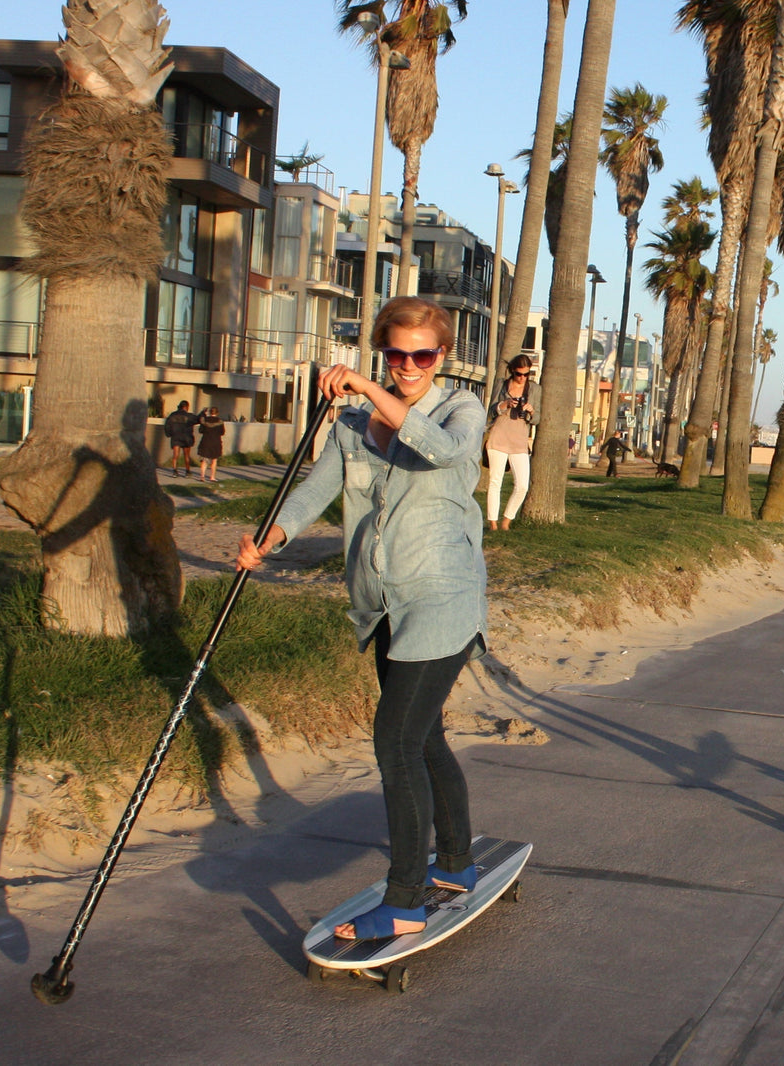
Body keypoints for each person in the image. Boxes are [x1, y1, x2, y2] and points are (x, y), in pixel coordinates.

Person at [236, 296, 486, 941]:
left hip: (441, 597)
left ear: (442, 355)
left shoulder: (461, 410)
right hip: (380, 601)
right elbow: (315, 490)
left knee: (395, 742)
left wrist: (373, 389)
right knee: (423, 734)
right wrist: (272, 537)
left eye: (421, 354)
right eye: (395, 354)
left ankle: (404, 901)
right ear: (383, 349)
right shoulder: (350, 425)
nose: (409, 365)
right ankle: (456, 859)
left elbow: (439, 453)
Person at [484, 354, 540, 531]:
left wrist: (530, 411)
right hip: (498, 437)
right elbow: (490, 411)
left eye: (527, 374)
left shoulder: (535, 389)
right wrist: (504, 404)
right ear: (512, 372)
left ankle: (506, 521)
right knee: (495, 481)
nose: (522, 378)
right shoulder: (501, 384)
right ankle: (493, 523)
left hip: (519, 441)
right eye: (519, 374)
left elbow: (537, 419)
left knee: (522, 485)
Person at [163, 400, 197, 477]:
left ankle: (175, 471)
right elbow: (197, 419)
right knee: (186, 455)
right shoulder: (189, 416)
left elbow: (167, 426)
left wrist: (169, 434)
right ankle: (187, 472)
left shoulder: (172, 415)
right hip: (186, 437)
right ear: (186, 407)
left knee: (175, 455)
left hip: (176, 437)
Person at [196, 407, 224, 483]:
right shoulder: (220, 421)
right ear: (217, 413)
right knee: (214, 460)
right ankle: (212, 477)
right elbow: (222, 432)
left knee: (204, 460)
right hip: (216, 442)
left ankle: (202, 476)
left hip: (206, 441)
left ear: (209, 412)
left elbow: (200, 430)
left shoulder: (205, 420)